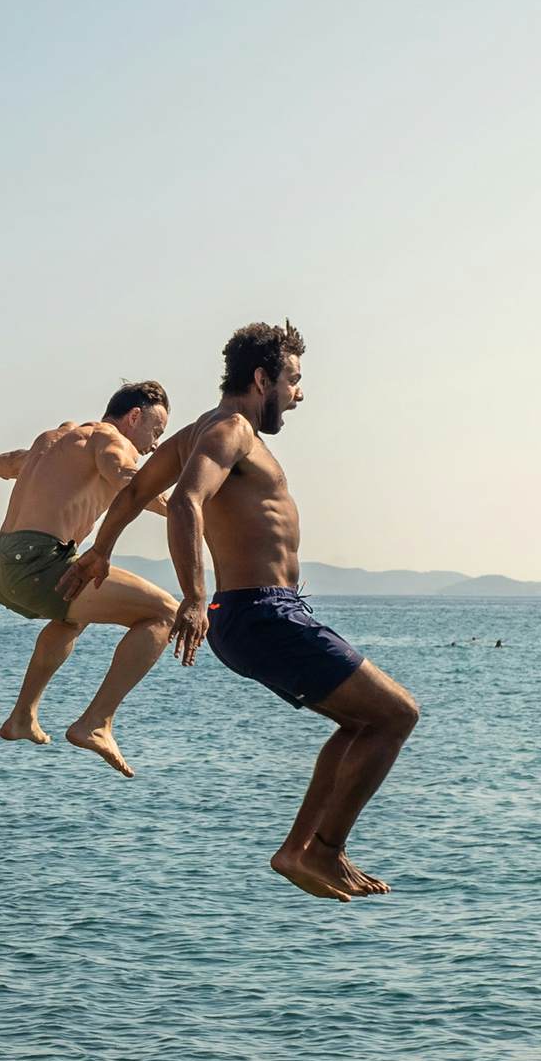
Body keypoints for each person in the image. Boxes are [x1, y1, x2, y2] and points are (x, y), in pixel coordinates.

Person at [61, 322, 419, 902]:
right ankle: (321, 851)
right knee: (396, 715)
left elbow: (130, 495)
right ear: (261, 378)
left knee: (361, 722)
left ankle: (302, 851)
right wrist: (194, 595)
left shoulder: (197, 431)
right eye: (293, 381)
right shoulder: (230, 430)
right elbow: (184, 502)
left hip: (259, 614)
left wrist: (101, 550)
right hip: (261, 612)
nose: (298, 395)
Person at [0, 381, 177, 776]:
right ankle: (96, 722)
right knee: (165, 612)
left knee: (73, 616)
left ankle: (22, 716)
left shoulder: (57, 438)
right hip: (36, 562)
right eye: (155, 432)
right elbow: (132, 482)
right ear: (134, 417)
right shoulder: (112, 441)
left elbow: (12, 463)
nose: (155, 445)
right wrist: (191, 510)